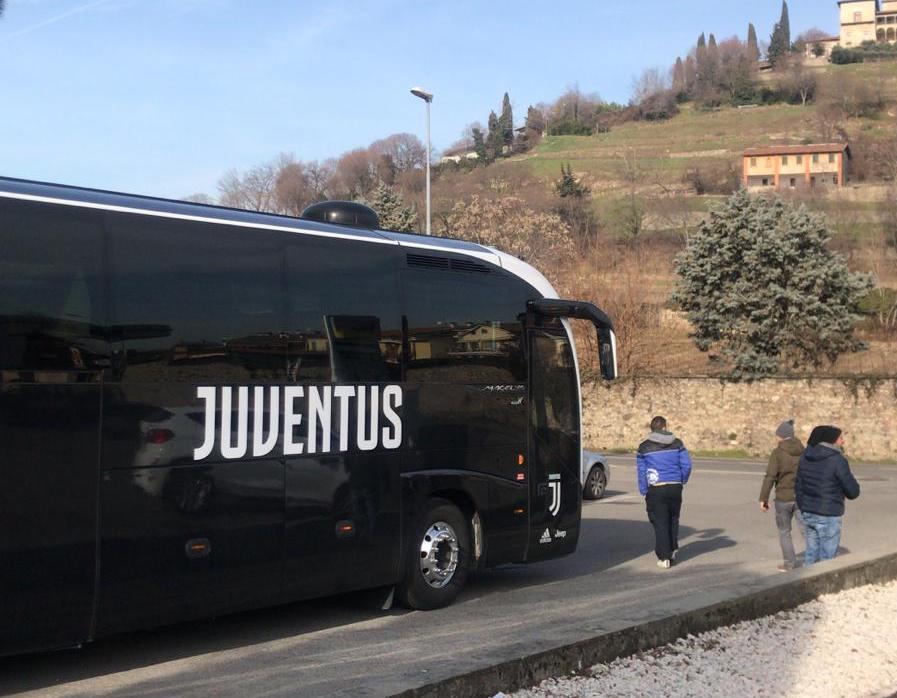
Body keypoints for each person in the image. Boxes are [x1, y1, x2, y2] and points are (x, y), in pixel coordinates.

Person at [795, 425, 860, 566]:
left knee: (811, 553)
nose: (843, 442)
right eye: (840, 438)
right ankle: (823, 588)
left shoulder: (805, 456)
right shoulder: (837, 460)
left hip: (808, 511)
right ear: (832, 440)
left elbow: (798, 485)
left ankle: (806, 585)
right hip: (828, 513)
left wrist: (803, 506)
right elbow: (853, 491)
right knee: (827, 560)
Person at [637, 415, 692, 569]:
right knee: (673, 518)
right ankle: (673, 548)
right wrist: (682, 479)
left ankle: (664, 557)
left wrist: (644, 489)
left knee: (660, 521)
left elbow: (642, 471)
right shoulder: (678, 443)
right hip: (675, 486)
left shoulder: (644, 447)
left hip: (656, 488)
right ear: (665, 427)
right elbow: (687, 465)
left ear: (651, 429)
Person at [759, 419, 806, 572]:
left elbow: (770, 476)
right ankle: (814, 558)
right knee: (806, 530)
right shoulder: (803, 451)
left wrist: (763, 498)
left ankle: (789, 563)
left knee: (785, 532)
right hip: (800, 496)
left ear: (781, 436)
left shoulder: (778, 453)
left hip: (783, 497)